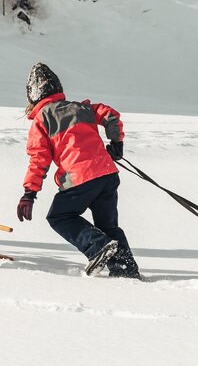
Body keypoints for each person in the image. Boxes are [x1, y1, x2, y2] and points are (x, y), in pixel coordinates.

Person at [16, 63, 140, 277]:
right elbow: (110, 114)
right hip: (107, 175)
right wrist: (116, 142)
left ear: (33, 95)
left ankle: (97, 246)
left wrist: (29, 193)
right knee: (108, 226)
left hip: (80, 178)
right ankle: (125, 270)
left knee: (59, 216)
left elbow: (39, 160)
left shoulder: (42, 120)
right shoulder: (82, 108)